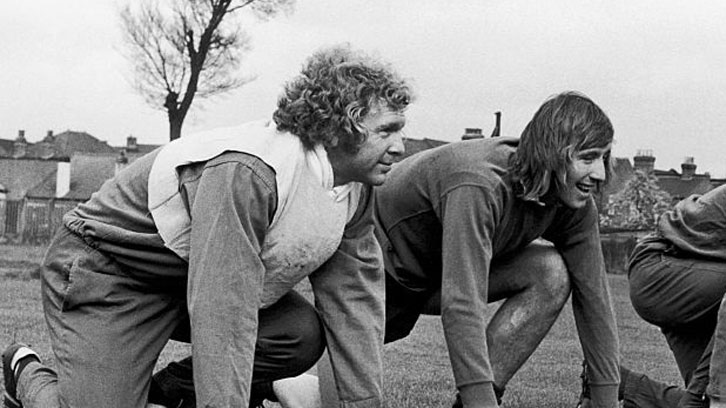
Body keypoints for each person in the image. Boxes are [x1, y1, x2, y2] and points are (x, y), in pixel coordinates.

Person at [147, 91, 622, 408]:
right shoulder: (479, 181)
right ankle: (186, 385)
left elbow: (595, 299)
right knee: (320, 397)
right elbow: (463, 300)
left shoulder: (573, 199)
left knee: (552, 271)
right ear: (551, 151)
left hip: (436, 276)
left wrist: (603, 398)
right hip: (381, 271)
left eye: (603, 158)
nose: (599, 174)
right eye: (586, 158)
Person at [1, 43, 413, 408]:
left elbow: (355, 306)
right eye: (386, 131)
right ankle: (28, 372)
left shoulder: (354, 190)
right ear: (338, 128)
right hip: (108, 273)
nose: (400, 147)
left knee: (297, 332)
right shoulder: (250, 171)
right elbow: (223, 310)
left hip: (183, 280)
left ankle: (163, 396)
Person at [578, 184, 726, 408]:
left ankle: (619, 384)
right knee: (709, 398)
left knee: (708, 399)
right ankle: (694, 401)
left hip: (697, 286)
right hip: (662, 268)